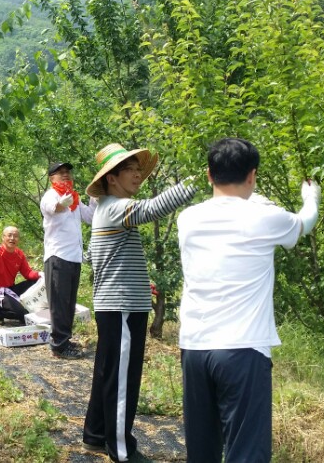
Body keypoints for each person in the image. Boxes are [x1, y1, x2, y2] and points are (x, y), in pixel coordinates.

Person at [177, 138, 320, 463]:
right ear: (252, 175)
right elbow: (305, 222)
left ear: (209, 175)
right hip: (242, 350)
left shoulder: (187, 219)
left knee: (201, 453)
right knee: (247, 454)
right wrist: (311, 196)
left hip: (195, 349)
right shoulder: (267, 218)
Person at [81, 142, 197, 462]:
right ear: (112, 179)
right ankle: (121, 450)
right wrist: (197, 181)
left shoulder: (106, 209)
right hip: (122, 308)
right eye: (129, 170)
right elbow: (153, 207)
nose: (136, 175)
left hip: (115, 304)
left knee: (108, 372)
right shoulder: (117, 208)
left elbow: (102, 258)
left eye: (137, 169)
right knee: (122, 381)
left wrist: (135, 280)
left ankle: (94, 434)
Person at [40, 161, 94, 360]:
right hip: (58, 256)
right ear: (51, 178)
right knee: (59, 302)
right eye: (60, 173)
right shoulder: (51, 195)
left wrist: (94, 198)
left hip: (74, 256)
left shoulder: (75, 199)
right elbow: (52, 208)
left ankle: (65, 340)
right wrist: (62, 203)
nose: (66, 175)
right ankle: (58, 346)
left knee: (69, 302)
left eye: (68, 173)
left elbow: (91, 218)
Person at [0, 226, 41, 325]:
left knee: (36, 282)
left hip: (10, 290)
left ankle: (37, 308)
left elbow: (27, 273)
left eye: (15, 236)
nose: (12, 238)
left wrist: (40, 274)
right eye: (9, 235)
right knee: (23, 314)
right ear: (3, 237)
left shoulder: (19, 254)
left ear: (18, 239)